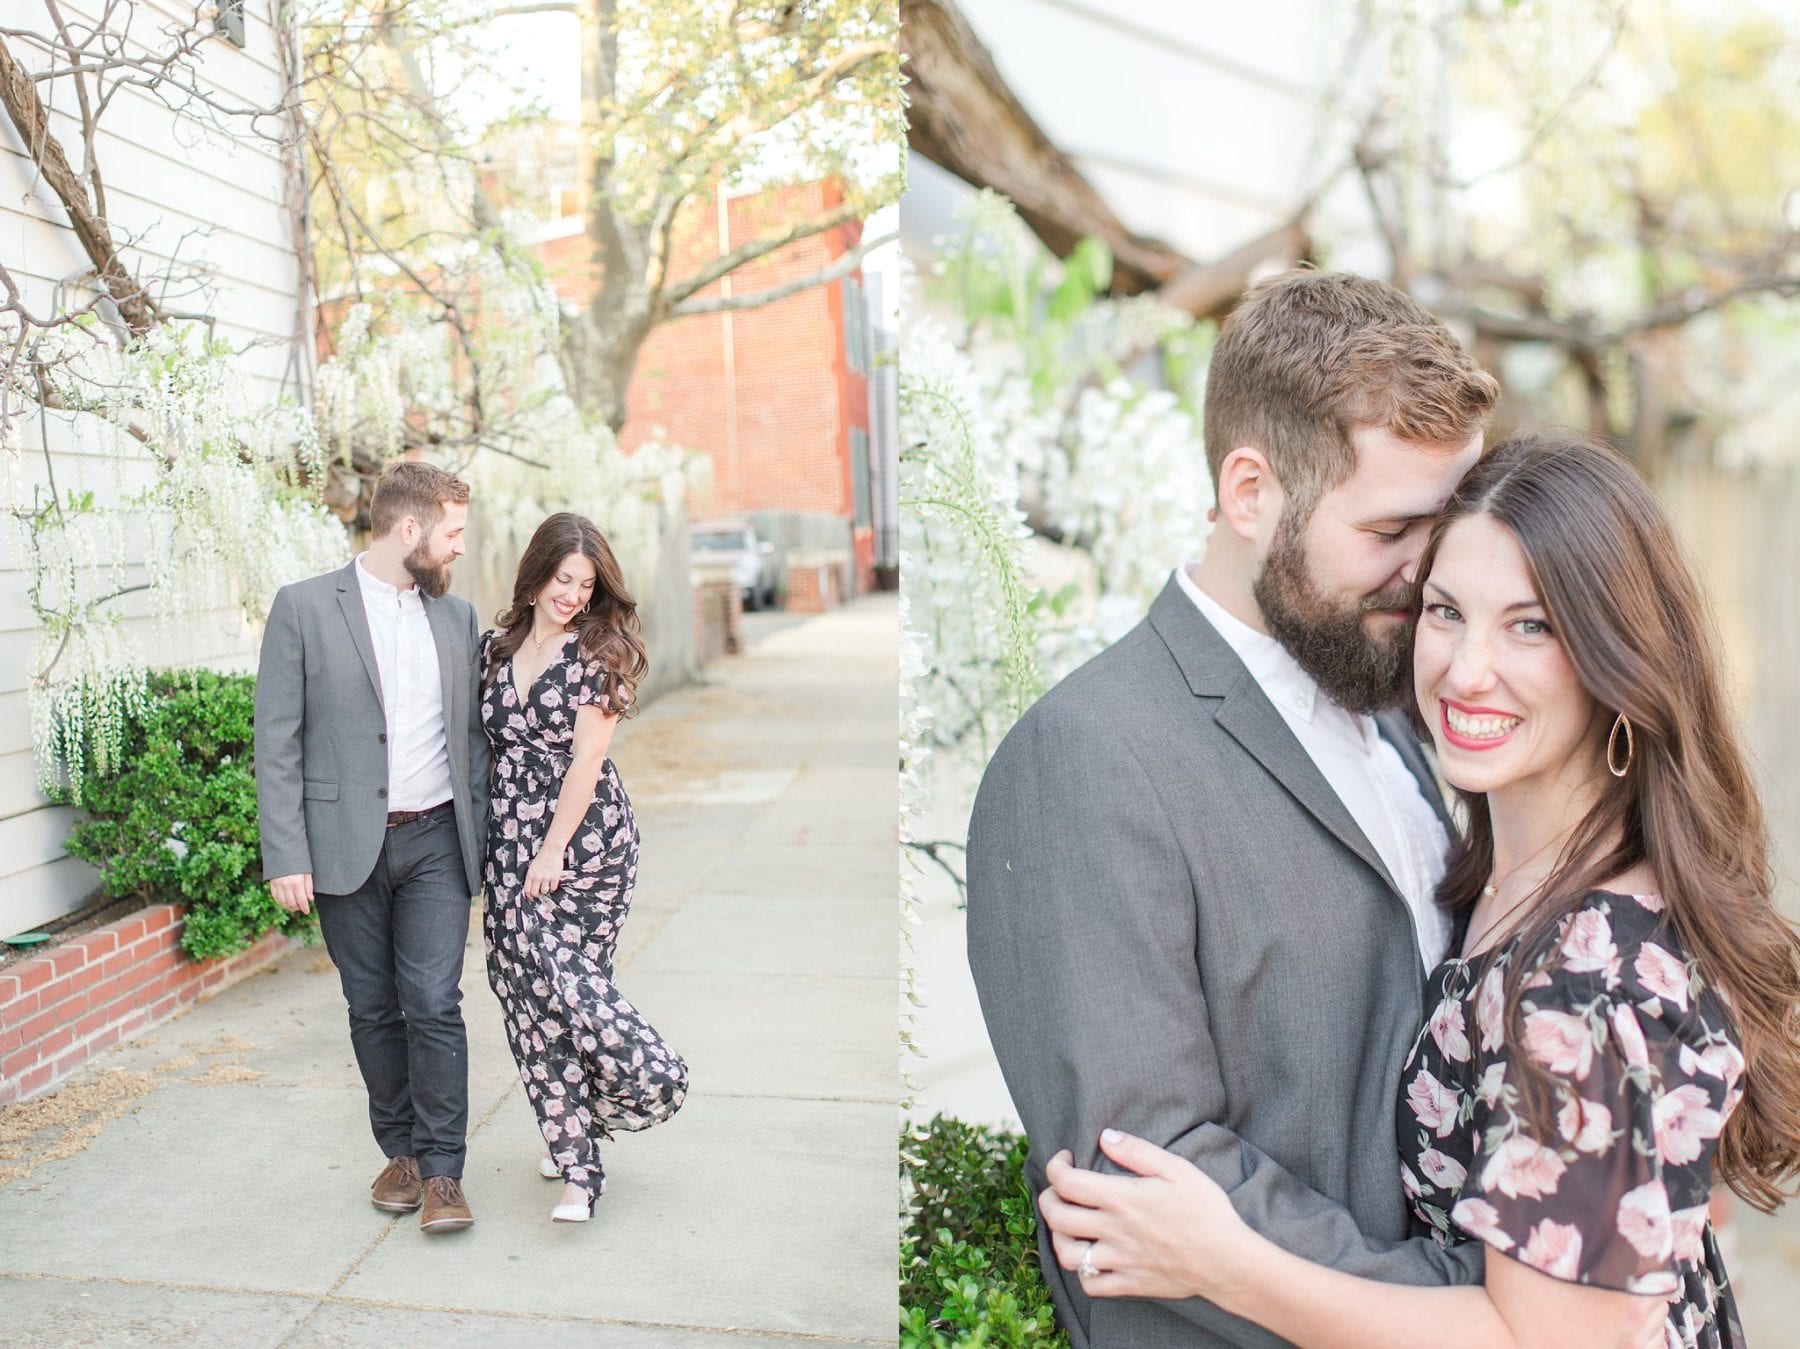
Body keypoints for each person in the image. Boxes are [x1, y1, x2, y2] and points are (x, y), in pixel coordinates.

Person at [1040, 432, 1800, 1348]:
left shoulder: (1591, 976)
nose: (1466, 668)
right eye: (1446, 611)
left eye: (1532, 625)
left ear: (1619, 658)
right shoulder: (1513, 879)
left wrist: (1227, 1265)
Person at [965, 269, 1502, 1346]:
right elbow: (1148, 1168)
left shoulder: (1394, 706)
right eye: (1393, 527)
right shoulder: (1087, 756)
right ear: (1250, 491)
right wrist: (1460, 1309)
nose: (1429, 569)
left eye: (1443, 523)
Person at [255, 460, 489, 1234]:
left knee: (433, 1002)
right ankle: (402, 1152)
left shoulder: (457, 620)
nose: (459, 548)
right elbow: (278, 740)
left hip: (436, 843)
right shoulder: (302, 607)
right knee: (373, 1007)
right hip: (343, 845)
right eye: (453, 533)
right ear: (410, 529)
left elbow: (476, 742)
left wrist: (488, 844)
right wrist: (285, 851)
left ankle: (445, 1171)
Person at [480, 512, 688, 1223]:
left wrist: (551, 851)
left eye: (586, 583)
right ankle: (570, 1127)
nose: (571, 594)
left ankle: (603, 1133)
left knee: (566, 987)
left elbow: (587, 761)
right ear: (536, 574)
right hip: (509, 836)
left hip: (586, 840)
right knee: (517, 985)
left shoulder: (599, 653)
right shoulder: (495, 649)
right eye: (562, 578)